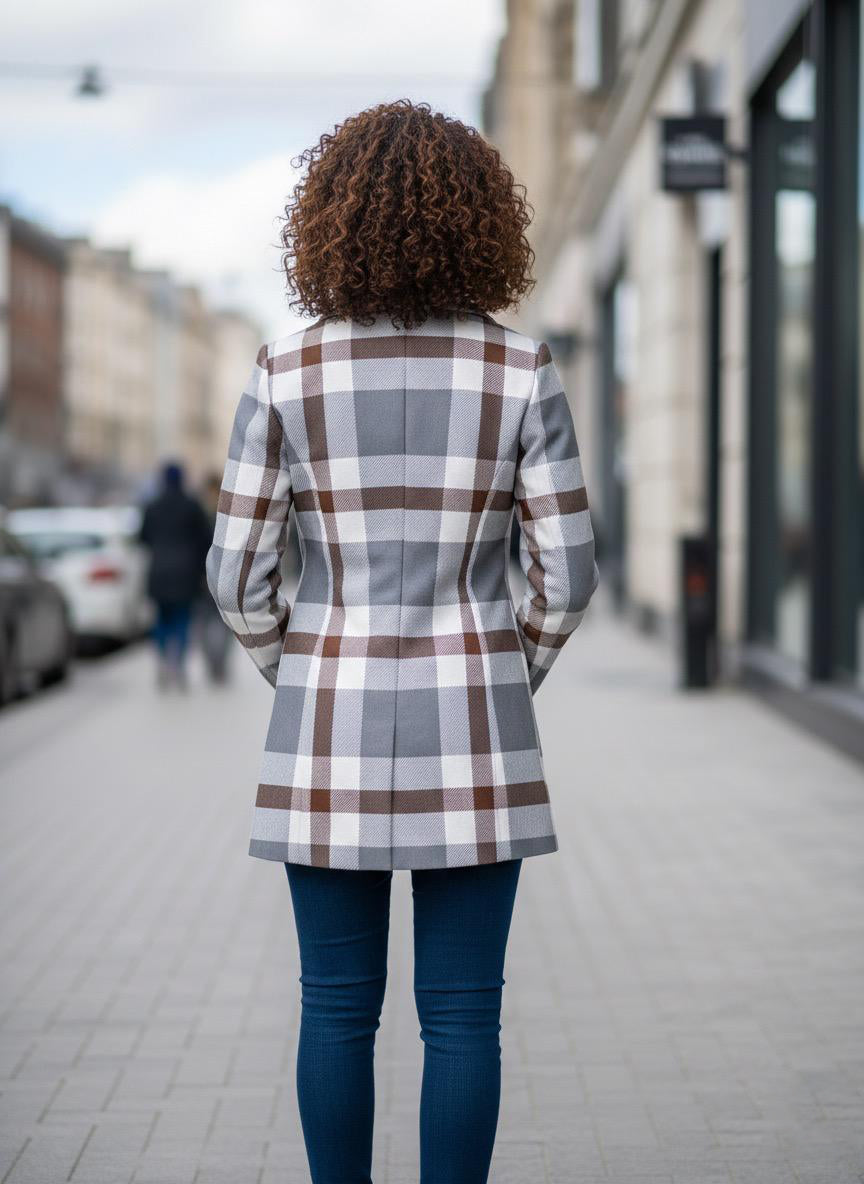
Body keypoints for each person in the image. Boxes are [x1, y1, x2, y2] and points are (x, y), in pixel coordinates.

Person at [206, 100, 599, 1184]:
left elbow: (235, 576)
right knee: (463, 1015)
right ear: (481, 219)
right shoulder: (523, 367)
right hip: (477, 722)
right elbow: (568, 575)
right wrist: (504, 671)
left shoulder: (285, 369)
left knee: (334, 1008)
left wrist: (307, 669)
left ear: (328, 219)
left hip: (325, 720)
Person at [139, 461, 210, 689]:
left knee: (161, 619)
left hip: (158, 572)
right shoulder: (192, 506)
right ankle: (177, 664)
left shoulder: (152, 506)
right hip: (186, 574)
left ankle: (162, 661)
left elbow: (142, 538)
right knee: (183, 620)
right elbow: (205, 540)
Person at [197, 472, 234, 684]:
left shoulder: (207, 514)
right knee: (212, 624)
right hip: (211, 579)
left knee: (218, 624)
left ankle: (217, 664)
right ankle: (215, 664)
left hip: (217, 578)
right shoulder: (224, 513)